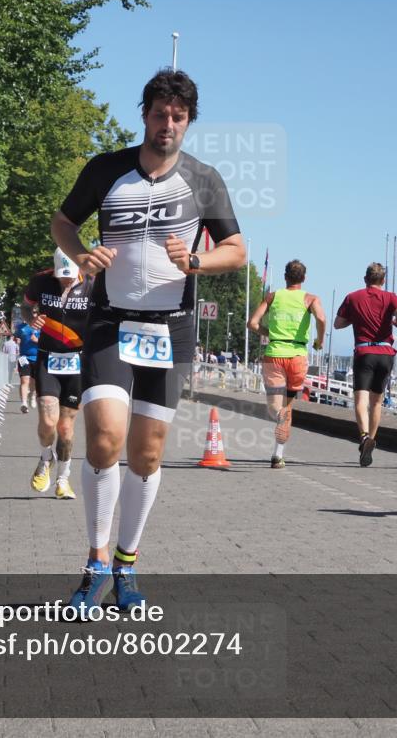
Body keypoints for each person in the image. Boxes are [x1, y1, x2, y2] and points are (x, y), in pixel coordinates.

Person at [51, 68, 245, 613]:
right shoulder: (107, 169)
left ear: (189, 122)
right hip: (111, 321)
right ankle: (94, 563)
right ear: (145, 114)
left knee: (147, 452)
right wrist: (80, 255)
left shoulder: (203, 179)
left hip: (170, 328)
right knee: (106, 439)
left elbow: (238, 249)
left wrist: (198, 261)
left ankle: (126, 564)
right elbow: (63, 221)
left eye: (178, 117)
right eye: (159, 114)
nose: (167, 125)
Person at [23, 249, 94, 500]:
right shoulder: (40, 281)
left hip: (77, 361)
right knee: (47, 423)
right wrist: (30, 319)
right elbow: (26, 306)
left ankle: (63, 480)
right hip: (47, 358)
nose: (66, 281)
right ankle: (45, 459)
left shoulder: (93, 284)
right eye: (61, 276)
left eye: (70, 276)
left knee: (65, 429)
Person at [248, 260, 325, 468]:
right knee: (288, 406)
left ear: (285, 277)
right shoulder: (310, 298)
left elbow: (252, 323)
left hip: (274, 354)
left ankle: (278, 422)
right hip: (298, 357)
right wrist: (320, 340)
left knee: (276, 407)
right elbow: (321, 318)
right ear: (304, 278)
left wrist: (268, 332)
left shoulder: (273, 297)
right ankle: (277, 455)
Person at [334, 262, 397, 467]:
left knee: (360, 399)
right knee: (376, 402)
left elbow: (338, 324)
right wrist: (396, 324)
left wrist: (355, 319)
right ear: (383, 281)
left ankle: (364, 437)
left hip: (364, 352)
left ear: (365, 279)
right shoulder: (390, 297)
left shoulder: (353, 297)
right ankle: (371, 440)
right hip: (385, 353)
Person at [14, 316, 40, 413]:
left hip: (38, 358)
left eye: (34, 313)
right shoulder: (21, 327)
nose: (32, 315)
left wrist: (37, 340)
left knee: (34, 382)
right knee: (24, 380)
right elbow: (15, 337)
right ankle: (24, 403)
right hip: (24, 358)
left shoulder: (42, 327)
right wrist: (16, 340)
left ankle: (32, 395)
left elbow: (48, 342)